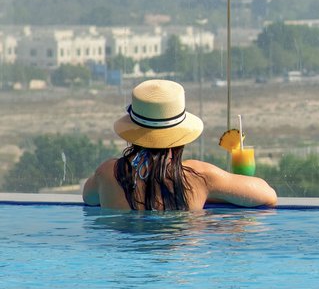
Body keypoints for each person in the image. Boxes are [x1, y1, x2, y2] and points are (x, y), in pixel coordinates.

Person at [83, 79, 277, 211]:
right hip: (180, 268)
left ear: (133, 131)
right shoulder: (197, 177)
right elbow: (268, 195)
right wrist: (211, 193)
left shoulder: (108, 173)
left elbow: (89, 197)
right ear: (180, 134)